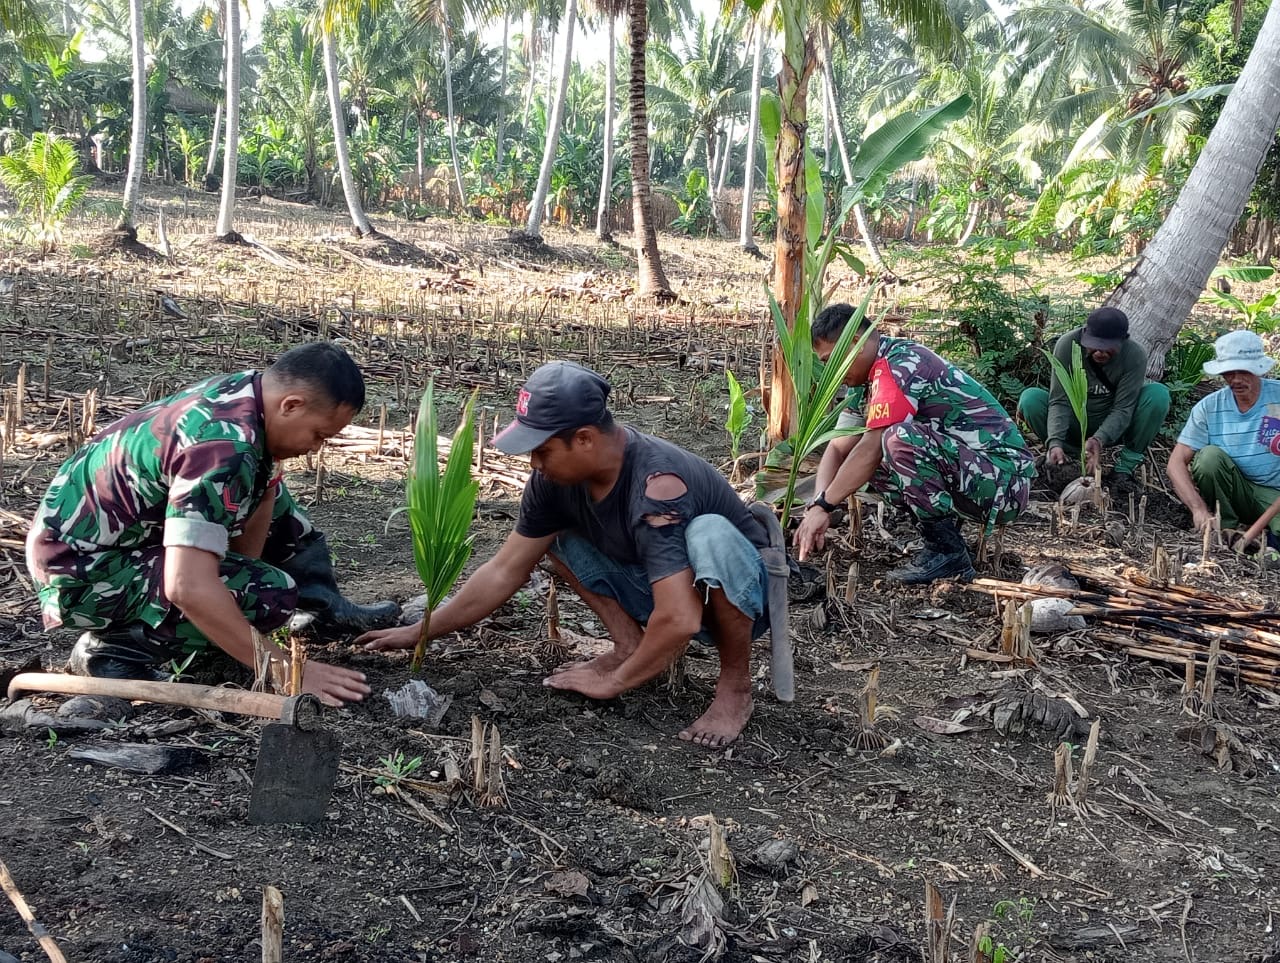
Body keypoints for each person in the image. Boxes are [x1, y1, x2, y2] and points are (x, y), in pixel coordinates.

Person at [359, 361, 771, 747]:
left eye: (542, 450)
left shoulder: (657, 483)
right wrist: (421, 631)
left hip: (739, 599)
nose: (533, 463)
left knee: (711, 534)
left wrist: (614, 683)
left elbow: (680, 618)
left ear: (585, 439)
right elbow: (505, 569)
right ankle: (628, 645)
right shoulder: (552, 483)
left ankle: (735, 686)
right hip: (661, 586)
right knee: (553, 538)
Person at [25, 342, 396, 706]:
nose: (316, 448)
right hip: (80, 574)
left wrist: (241, 573)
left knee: (274, 505)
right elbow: (187, 586)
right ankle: (114, 649)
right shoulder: (223, 447)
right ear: (291, 405)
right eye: (319, 435)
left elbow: (261, 499)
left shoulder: (249, 395)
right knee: (268, 593)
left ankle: (320, 608)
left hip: (116, 539)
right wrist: (284, 670)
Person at [793, 303, 1035, 583]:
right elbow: (838, 447)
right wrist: (816, 505)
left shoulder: (899, 363)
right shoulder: (864, 383)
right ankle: (945, 541)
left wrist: (825, 506)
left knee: (897, 439)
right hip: (976, 476)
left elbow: (872, 448)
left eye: (830, 360)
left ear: (855, 343)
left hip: (1006, 483)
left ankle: (947, 553)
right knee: (870, 458)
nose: (829, 371)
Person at [1017, 307, 1170, 492]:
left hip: (1113, 426)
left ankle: (1123, 471)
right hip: (1073, 423)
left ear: (1123, 341)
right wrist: (1055, 441)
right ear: (1084, 335)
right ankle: (1067, 459)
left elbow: (1123, 408)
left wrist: (1099, 439)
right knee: (1030, 399)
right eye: (1094, 345)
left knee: (1158, 395)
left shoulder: (1134, 355)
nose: (1100, 352)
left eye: (1108, 348)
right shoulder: (1067, 345)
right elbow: (1059, 401)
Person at [1167, 330, 1280, 549]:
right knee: (1209, 458)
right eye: (1229, 372)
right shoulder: (1209, 407)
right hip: (1234, 490)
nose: (1236, 380)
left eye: (1243, 371)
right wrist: (1198, 509)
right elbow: (1175, 463)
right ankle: (1226, 529)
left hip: (1274, 494)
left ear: (1259, 369)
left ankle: (1265, 543)